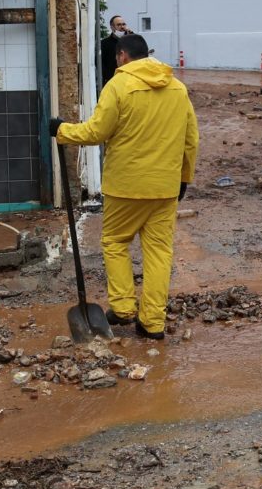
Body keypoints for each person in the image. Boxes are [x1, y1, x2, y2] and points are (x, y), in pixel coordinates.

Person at [51, 34, 198, 340]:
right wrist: (184, 179)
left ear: (121, 56)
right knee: (159, 252)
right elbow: (190, 140)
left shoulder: (118, 86)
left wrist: (62, 131)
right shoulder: (177, 88)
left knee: (116, 242)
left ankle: (123, 308)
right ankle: (152, 323)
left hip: (125, 187)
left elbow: (97, 131)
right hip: (165, 188)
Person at [100, 14, 133, 89]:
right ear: (112, 27)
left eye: (123, 24)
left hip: (130, 81)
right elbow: (101, 64)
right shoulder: (104, 43)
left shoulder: (131, 40)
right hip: (113, 81)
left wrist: (132, 35)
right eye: (119, 25)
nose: (122, 27)